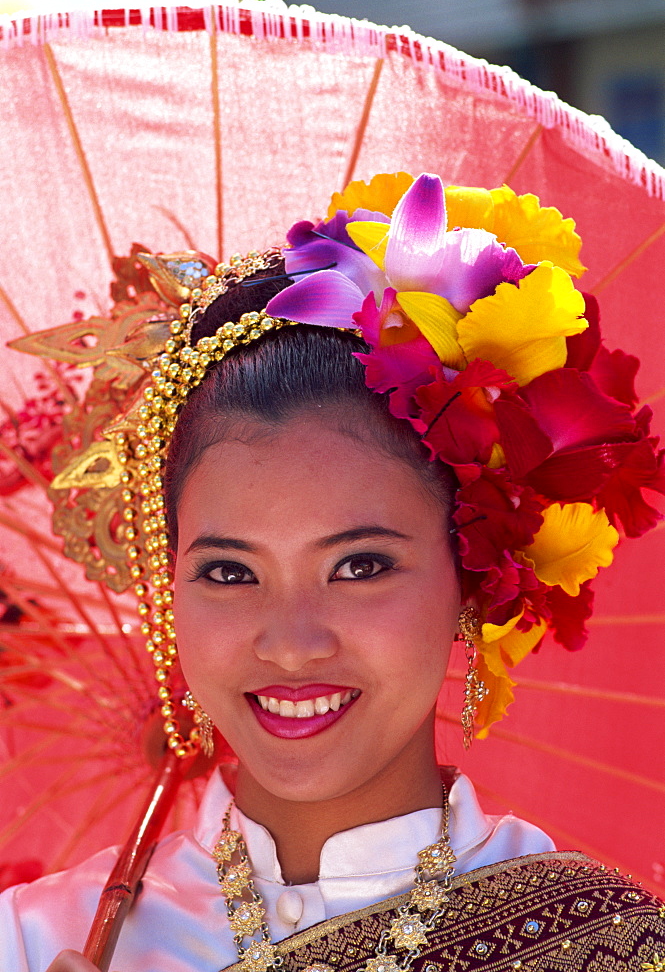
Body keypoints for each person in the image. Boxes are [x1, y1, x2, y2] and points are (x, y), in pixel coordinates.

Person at [1, 172, 663, 971]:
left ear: (472, 574)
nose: (289, 644)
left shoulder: (604, 947)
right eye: (228, 573)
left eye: (359, 565)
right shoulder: (36, 941)